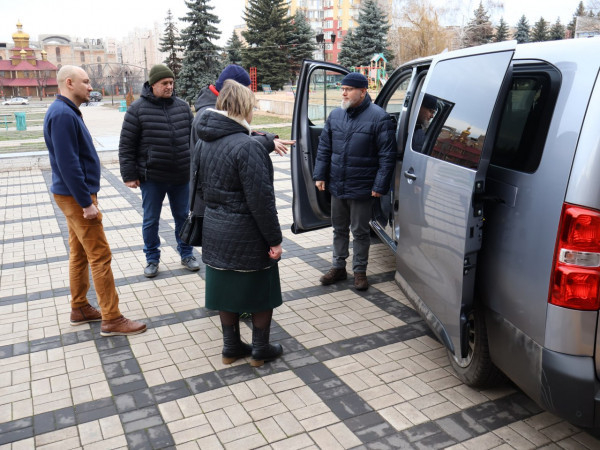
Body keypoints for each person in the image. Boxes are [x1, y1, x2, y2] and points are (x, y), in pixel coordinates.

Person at [44, 65, 146, 336]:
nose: (91, 87)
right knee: (100, 256)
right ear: (69, 83)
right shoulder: (63, 114)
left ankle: (79, 307)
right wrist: (86, 203)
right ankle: (111, 318)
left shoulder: (64, 111)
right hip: (77, 198)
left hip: (72, 195)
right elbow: (69, 164)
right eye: (86, 82)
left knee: (79, 253)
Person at [192, 80, 283, 367]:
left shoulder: (203, 143)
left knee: (225, 290)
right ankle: (260, 349)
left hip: (216, 229)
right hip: (248, 233)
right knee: (260, 291)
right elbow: (262, 202)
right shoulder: (248, 147)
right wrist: (275, 239)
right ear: (244, 108)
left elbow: (201, 191)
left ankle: (231, 348)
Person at [314, 72, 396, 291]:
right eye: (342, 89)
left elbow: (387, 156)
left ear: (362, 92)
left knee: (359, 232)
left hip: (362, 187)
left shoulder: (379, 117)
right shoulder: (335, 116)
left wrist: (380, 186)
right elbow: (324, 147)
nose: (343, 93)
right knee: (338, 229)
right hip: (337, 184)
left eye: (348, 89)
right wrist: (320, 175)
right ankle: (338, 267)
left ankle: (359, 271)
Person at [119, 64, 199, 278]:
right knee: (151, 219)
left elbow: (194, 140)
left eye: (172, 83)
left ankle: (187, 253)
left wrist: (195, 167)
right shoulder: (136, 109)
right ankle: (152, 259)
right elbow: (127, 145)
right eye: (165, 83)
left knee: (183, 217)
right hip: (152, 177)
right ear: (153, 84)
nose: (169, 87)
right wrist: (129, 175)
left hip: (181, 175)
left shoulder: (183, 107)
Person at [189, 64, 293, 156]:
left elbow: (235, 132)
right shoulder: (208, 114)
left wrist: (269, 139)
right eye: (246, 91)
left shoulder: (215, 110)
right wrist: (267, 143)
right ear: (235, 91)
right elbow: (231, 144)